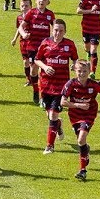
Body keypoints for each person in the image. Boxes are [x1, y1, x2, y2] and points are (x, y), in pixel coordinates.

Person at [59, 59, 100, 181]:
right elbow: (63, 102)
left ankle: (83, 170)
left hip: (89, 115)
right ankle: (85, 151)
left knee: (81, 139)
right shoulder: (70, 84)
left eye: (85, 71)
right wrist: (78, 105)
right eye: (79, 71)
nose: (82, 74)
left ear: (89, 71)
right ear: (75, 71)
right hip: (75, 116)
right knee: (81, 142)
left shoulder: (94, 84)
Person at [35, 18, 80, 154]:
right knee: (50, 115)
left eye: (61, 31)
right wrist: (45, 66)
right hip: (45, 85)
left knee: (54, 114)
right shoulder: (45, 43)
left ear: (65, 31)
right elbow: (37, 59)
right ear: (52, 30)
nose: (57, 33)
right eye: (55, 30)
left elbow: (76, 59)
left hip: (61, 86)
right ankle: (58, 125)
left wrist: (75, 65)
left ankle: (50, 145)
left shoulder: (69, 45)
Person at [15, 0, 56, 106]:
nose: (41, 1)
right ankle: (35, 90)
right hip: (32, 47)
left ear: (48, 2)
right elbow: (21, 27)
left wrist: (54, 38)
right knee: (33, 71)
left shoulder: (50, 14)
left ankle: (43, 96)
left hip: (45, 48)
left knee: (43, 72)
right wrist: (23, 34)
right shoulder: (31, 13)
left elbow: (55, 27)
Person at [75, 0, 100, 74]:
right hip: (86, 27)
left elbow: (97, 9)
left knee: (94, 49)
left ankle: (93, 71)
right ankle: (88, 54)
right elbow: (78, 11)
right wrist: (90, 11)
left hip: (96, 28)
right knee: (87, 47)